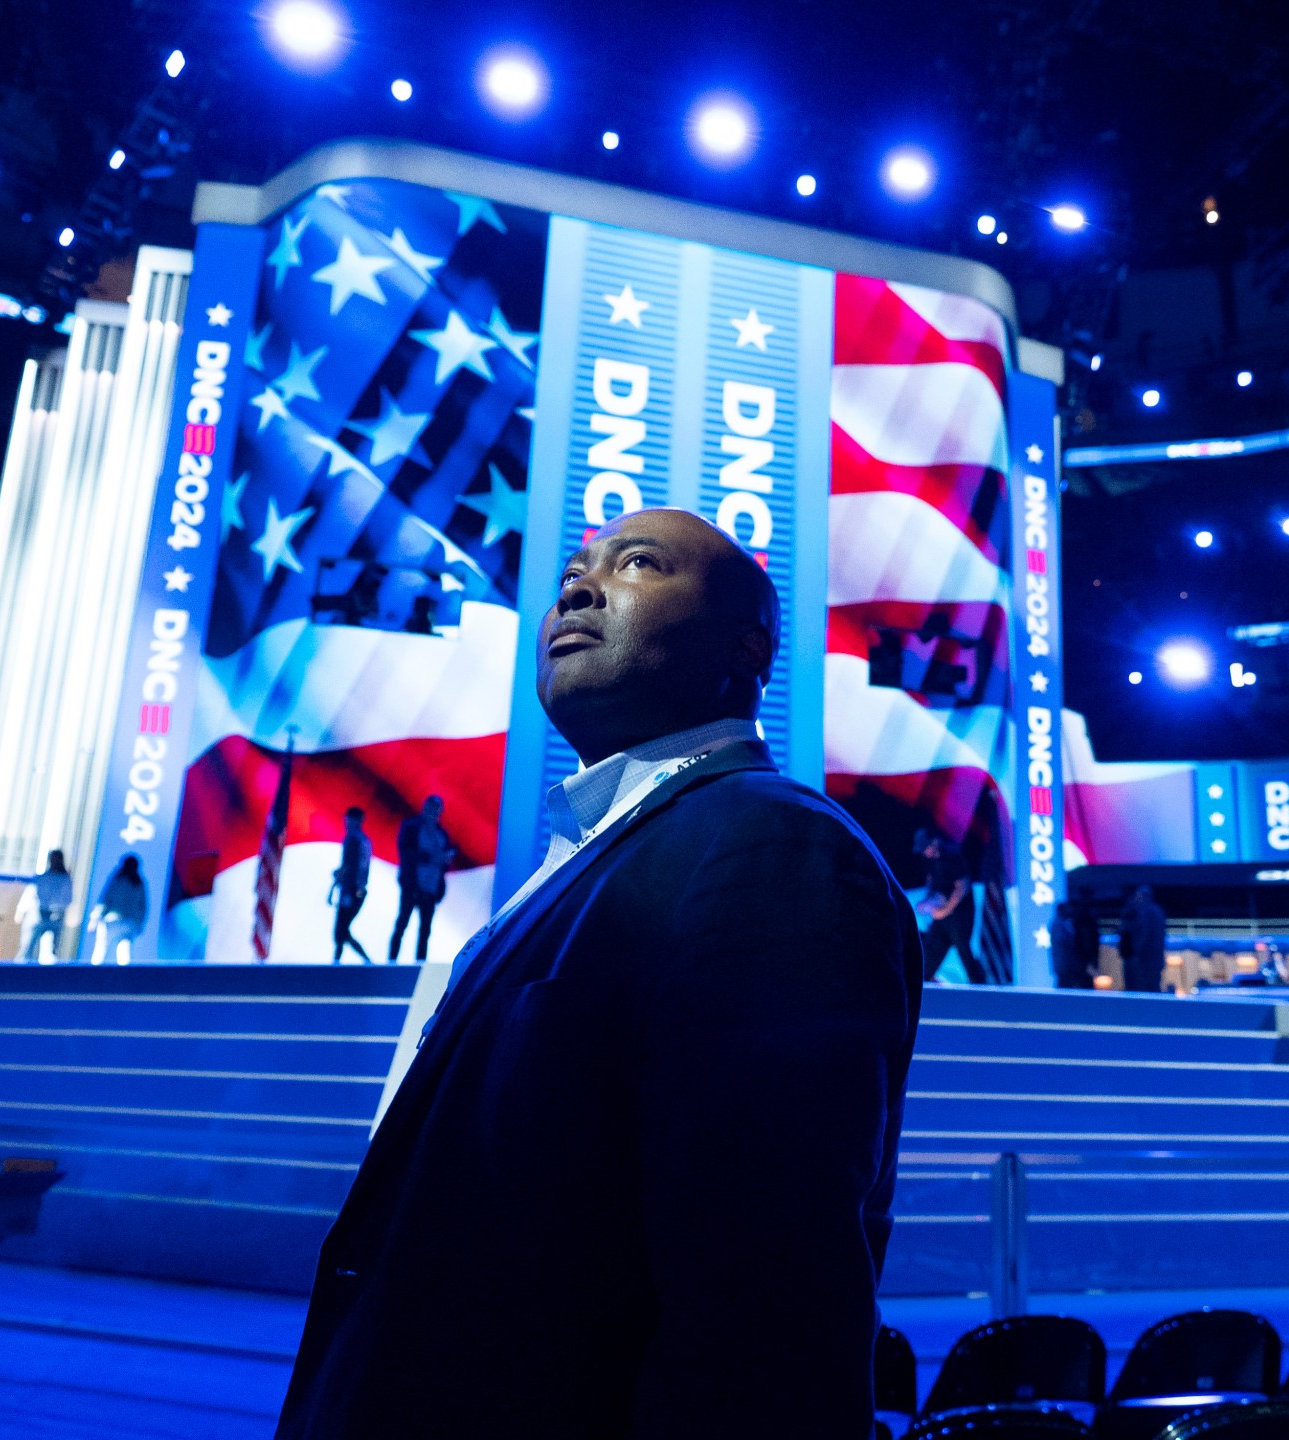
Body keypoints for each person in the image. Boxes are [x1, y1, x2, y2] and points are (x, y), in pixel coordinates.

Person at [278, 508, 921, 1440]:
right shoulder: (590, 861)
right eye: (573, 572)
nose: (576, 587)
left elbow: (764, 1305)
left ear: (745, 646)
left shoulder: (770, 848)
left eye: (639, 564)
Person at [389, 796, 453, 961]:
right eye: (430, 807)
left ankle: (420, 966)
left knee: (425, 930)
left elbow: (444, 862)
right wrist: (428, 858)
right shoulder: (412, 827)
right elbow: (405, 852)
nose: (433, 812)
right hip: (412, 885)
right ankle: (391, 962)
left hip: (431, 888)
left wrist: (445, 859)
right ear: (424, 807)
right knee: (402, 923)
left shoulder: (441, 834)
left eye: (437, 809)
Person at [918, 829, 982, 983]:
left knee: (963, 950)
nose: (924, 853)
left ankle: (981, 989)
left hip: (960, 915)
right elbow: (932, 883)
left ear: (934, 843)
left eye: (925, 848)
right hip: (942, 914)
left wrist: (944, 910)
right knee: (932, 948)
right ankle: (923, 985)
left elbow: (961, 888)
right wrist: (927, 902)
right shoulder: (931, 861)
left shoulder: (952, 856)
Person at [329, 808, 373, 963]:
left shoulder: (353, 840)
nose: (346, 823)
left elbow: (348, 866)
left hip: (350, 890)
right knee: (341, 930)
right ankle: (338, 960)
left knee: (341, 929)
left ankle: (340, 962)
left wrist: (334, 886)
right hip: (357, 890)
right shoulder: (363, 840)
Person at [16, 850, 73, 963]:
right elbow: (31, 892)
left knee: (49, 952)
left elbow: (67, 899)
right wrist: (21, 910)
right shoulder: (43, 878)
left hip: (53, 917)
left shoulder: (64, 880)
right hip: (38, 914)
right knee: (27, 948)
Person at [90, 855, 146, 965]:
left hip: (112, 922)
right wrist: (139, 924)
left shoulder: (118, 880)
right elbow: (142, 908)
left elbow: (105, 900)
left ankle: (92, 979)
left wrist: (95, 918)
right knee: (124, 954)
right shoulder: (138, 883)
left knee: (100, 953)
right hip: (128, 923)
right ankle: (125, 980)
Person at [1117, 885, 1167, 995]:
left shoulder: (1146, 912)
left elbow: (1142, 935)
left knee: (1144, 989)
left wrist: (1137, 952)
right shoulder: (1157, 911)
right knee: (1152, 988)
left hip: (1145, 959)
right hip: (1153, 958)